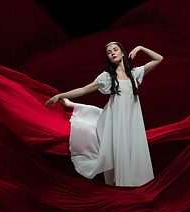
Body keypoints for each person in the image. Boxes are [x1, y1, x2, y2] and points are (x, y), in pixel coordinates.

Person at [45, 42, 163, 186]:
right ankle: (111, 189)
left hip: (130, 122)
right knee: (112, 153)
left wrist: (141, 48)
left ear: (122, 53)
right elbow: (84, 89)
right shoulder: (106, 77)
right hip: (114, 121)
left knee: (127, 152)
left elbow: (159, 59)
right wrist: (59, 95)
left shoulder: (134, 74)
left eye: (115, 50)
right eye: (109, 52)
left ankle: (125, 188)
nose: (113, 53)